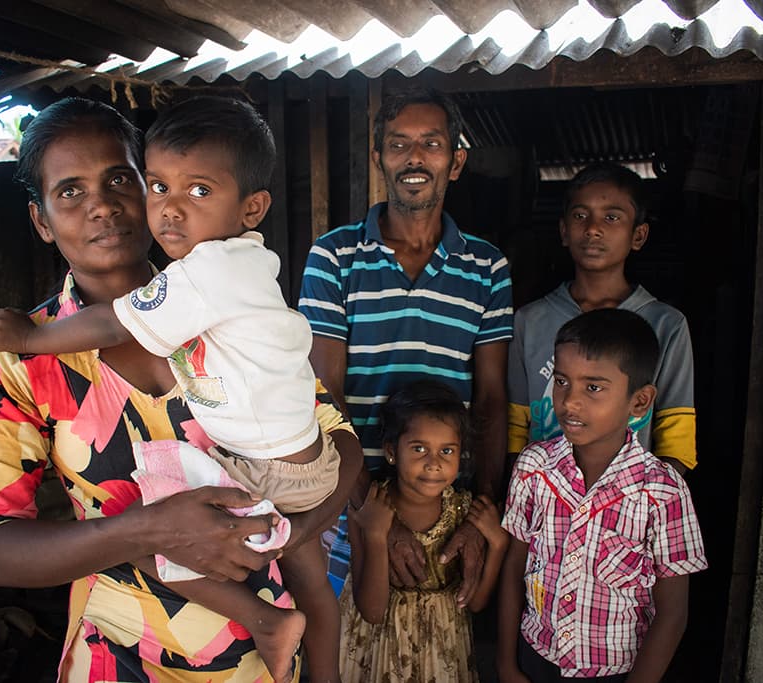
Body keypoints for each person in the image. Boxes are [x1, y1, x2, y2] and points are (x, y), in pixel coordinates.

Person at [0, 96, 361, 683]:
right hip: (122, 658)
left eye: (120, 177)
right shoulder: (21, 359)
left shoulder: (230, 305)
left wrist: (302, 528)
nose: (101, 204)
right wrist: (142, 531)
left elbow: (336, 441)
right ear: (42, 221)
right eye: (70, 191)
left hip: (266, 665)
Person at [298, 87, 513, 598]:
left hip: (446, 508)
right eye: (398, 145)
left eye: (431, 144)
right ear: (379, 160)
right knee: (351, 649)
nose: (414, 158)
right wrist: (374, 513)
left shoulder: (487, 268)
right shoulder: (334, 257)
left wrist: (479, 518)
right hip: (352, 501)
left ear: (455, 162)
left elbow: (489, 400)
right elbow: (322, 393)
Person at [497, 308, 708, 683]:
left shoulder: (662, 493)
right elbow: (514, 567)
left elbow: (672, 613)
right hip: (535, 659)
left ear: (640, 402)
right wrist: (506, 665)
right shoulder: (534, 468)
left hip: (615, 673)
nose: (570, 401)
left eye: (593, 387)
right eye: (562, 381)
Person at [507, 162, 696, 474]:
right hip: (544, 509)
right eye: (580, 216)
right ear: (564, 231)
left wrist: (649, 506)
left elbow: (676, 440)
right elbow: (514, 429)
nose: (593, 228)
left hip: (628, 510)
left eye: (611, 217)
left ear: (639, 235)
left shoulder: (666, 324)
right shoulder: (529, 321)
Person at [339, 380, 507, 683]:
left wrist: (496, 544)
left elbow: (477, 603)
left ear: (461, 455)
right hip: (379, 653)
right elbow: (372, 611)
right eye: (419, 449)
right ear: (391, 451)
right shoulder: (369, 508)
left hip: (442, 653)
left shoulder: (465, 511)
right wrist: (377, 536)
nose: (433, 463)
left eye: (447, 451)